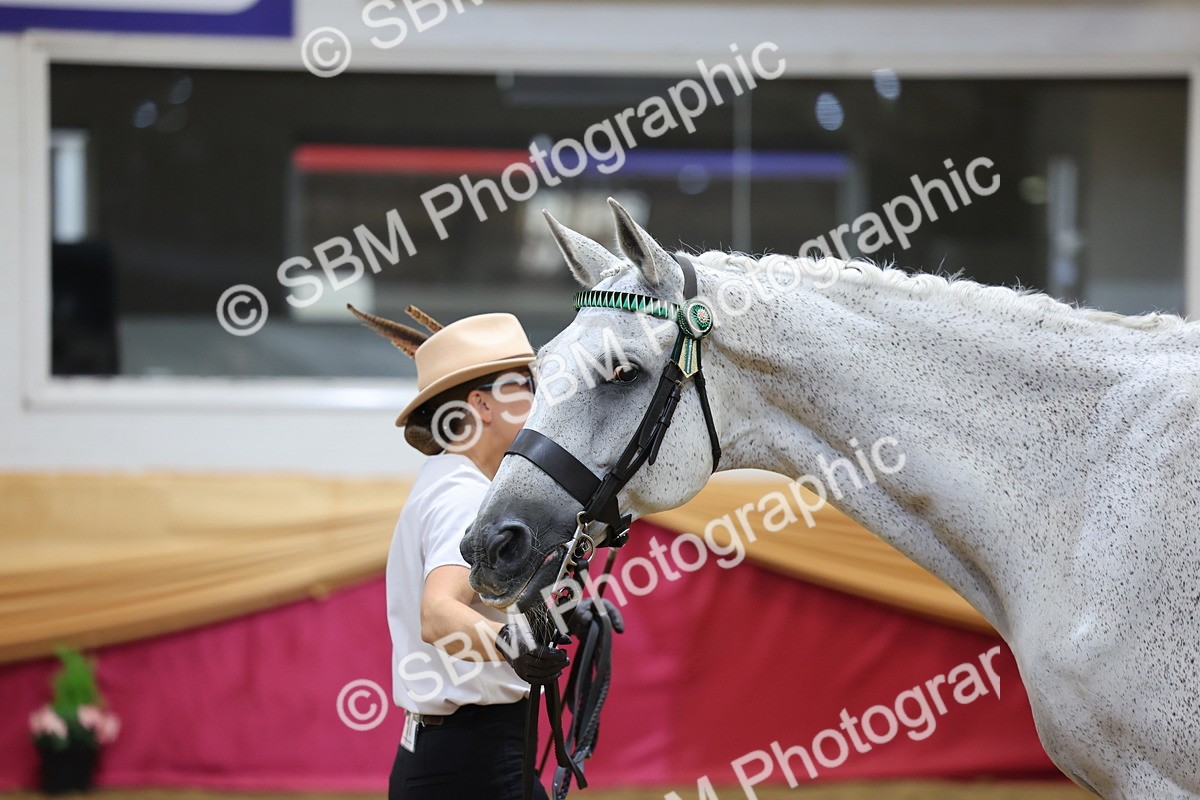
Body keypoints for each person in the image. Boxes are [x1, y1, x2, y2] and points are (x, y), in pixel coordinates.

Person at [349, 304, 616, 800]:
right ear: (482, 405)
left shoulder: (454, 481)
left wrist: (547, 622)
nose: (540, 400)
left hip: (465, 758)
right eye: (525, 385)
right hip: (472, 767)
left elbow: (477, 603)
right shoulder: (466, 494)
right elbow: (438, 613)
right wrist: (516, 645)